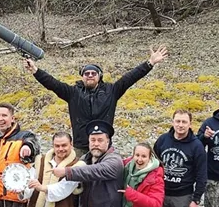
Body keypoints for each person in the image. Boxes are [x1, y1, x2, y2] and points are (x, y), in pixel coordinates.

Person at [23, 46, 168, 156]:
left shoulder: (112, 90)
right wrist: (36, 70)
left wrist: (150, 63)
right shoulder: (72, 93)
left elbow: (130, 77)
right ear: (82, 77)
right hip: (80, 147)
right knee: (78, 186)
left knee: (105, 184)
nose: (90, 75)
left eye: (93, 73)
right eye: (86, 73)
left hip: (104, 146)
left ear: (100, 76)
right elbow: (52, 83)